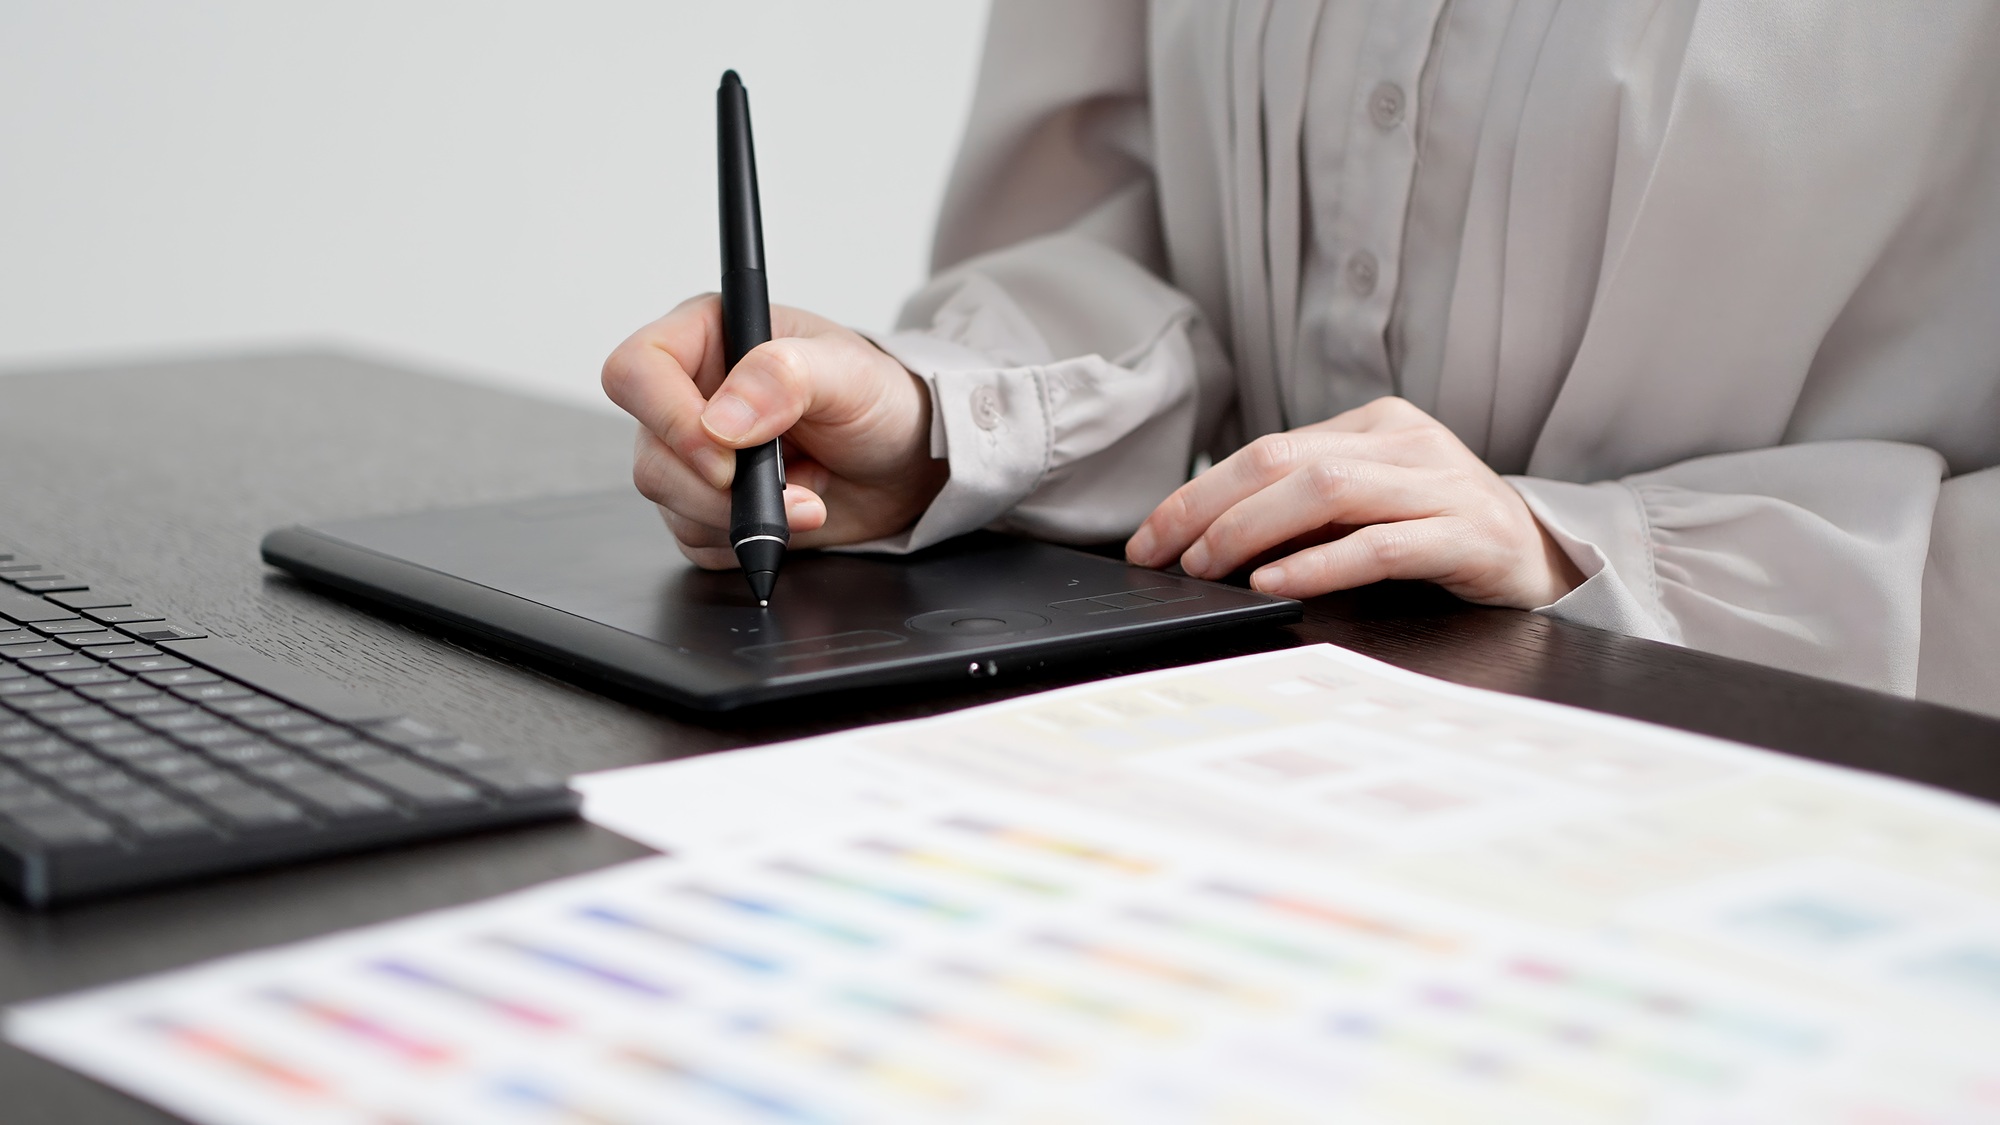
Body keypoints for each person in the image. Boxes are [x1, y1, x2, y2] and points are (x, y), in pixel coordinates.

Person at [603, 0, 2000, 717]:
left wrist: (1594, 550)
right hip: (1254, 761)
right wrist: (930, 423)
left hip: (1821, 825)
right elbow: (1116, 231)